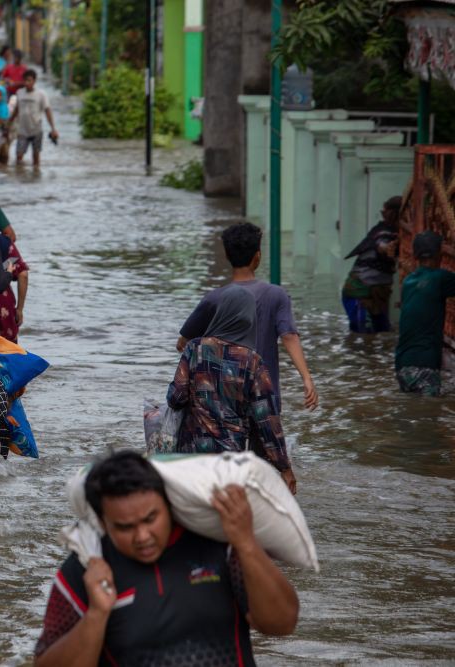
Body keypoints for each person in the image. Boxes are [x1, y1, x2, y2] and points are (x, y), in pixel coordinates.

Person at [34, 451, 299, 666]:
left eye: (151, 519)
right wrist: (96, 613)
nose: (142, 536)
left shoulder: (219, 547)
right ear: (103, 522)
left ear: (169, 506)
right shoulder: (88, 568)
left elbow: (283, 623)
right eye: (125, 527)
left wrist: (246, 543)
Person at [178, 222, 318, 413]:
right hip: (264, 393)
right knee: (268, 441)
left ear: (227, 256)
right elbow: (289, 336)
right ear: (257, 257)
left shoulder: (213, 298)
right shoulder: (276, 295)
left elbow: (183, 344)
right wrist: (306, 379)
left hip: (222, 398)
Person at [168, 286, 296, 493]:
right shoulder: (253, 362)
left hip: (190, 457)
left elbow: (176, 397)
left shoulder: (195, 349)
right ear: (248, 319)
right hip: (230, 462)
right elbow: (267, 421)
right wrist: (285, 468)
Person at [395, 230, 455, 396]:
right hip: (425, 363)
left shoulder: (408, 282)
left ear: (415, 257)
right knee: (428, 416)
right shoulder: (440, 278)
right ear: (440, 255)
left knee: (412, 414)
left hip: (402, 364)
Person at [341, 196, 401, 333]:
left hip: (375, 294)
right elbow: (381, 245)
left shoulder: (388, 231)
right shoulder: (384, 233)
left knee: (381, 332)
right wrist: (387, 248)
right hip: (361, 294)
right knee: (364, 336)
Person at [10, 69, 58, 167]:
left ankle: (35, 177)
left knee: (36, 157)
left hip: (36, 130)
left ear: (34, 81)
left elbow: (47, 111)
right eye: (25, 80)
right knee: (19, 156)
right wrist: (8, 124)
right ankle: (20, 176)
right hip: (22, 130)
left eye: (29, 80)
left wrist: (53, 129)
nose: (27, 83)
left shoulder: (41, 94)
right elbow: (16, 110)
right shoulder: (19, 93)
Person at [0, 234, 29, 342]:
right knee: (9, 351)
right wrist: (20, 309)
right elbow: (23, 274)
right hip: (3, 306)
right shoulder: (4, 242)